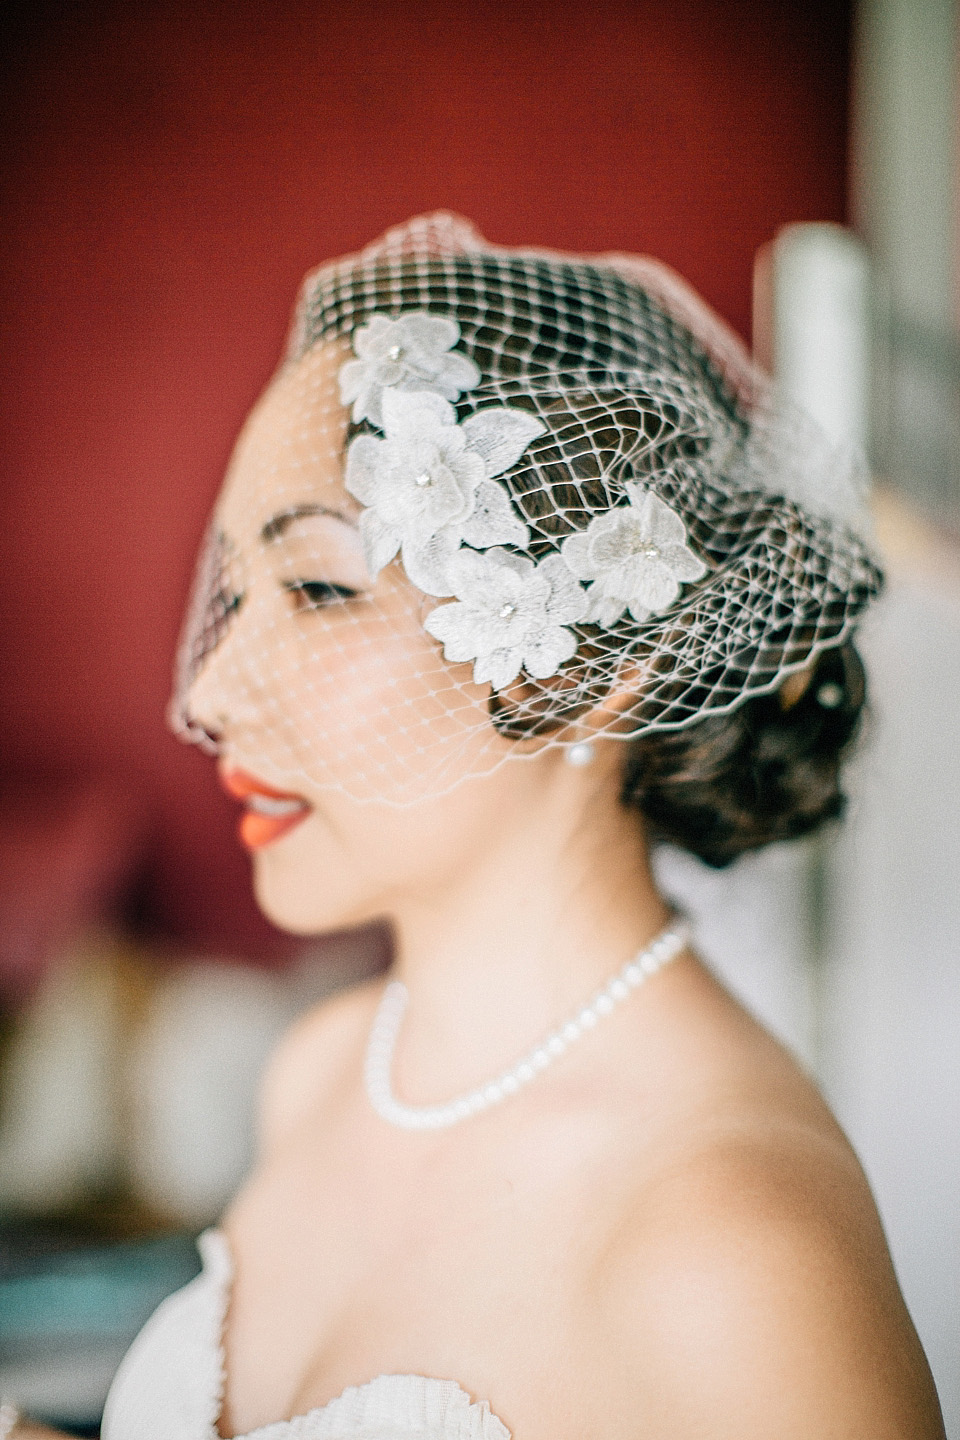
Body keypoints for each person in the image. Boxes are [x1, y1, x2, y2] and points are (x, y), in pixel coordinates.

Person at [6, 213, 944, 1439]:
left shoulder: (731, 1248)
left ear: (593, 660)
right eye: (234, 592)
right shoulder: (324, 1072)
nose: (214, 689)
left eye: (322, 588)